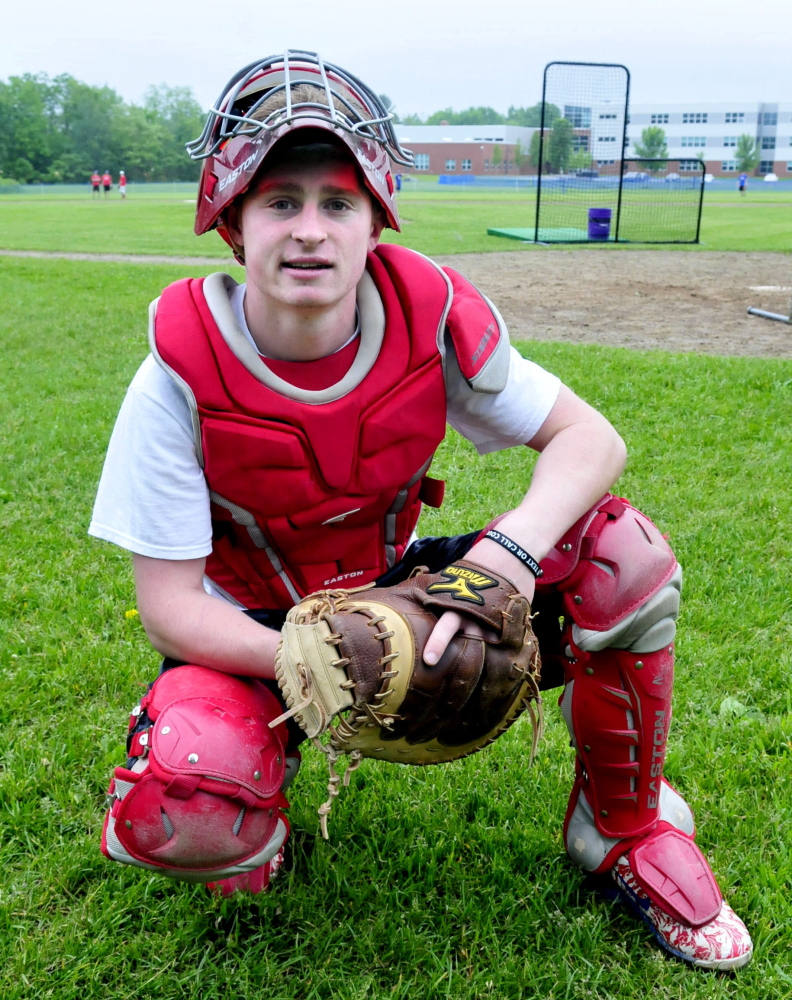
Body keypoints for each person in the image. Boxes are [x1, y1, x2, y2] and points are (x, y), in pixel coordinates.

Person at [89, 50, 752, 970]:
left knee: (624, 559)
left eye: (337, 202)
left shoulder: (426, 317)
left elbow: (590, 442)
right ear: (231, 219)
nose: (310, 230)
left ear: (376, 220)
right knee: (190, 796)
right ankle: (245, 790)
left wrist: (504, 563)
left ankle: (621, 825)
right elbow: (167, 603)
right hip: (252, 622)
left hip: (394, 579)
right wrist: (314, 659)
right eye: (281, 200)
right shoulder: (178, 368)